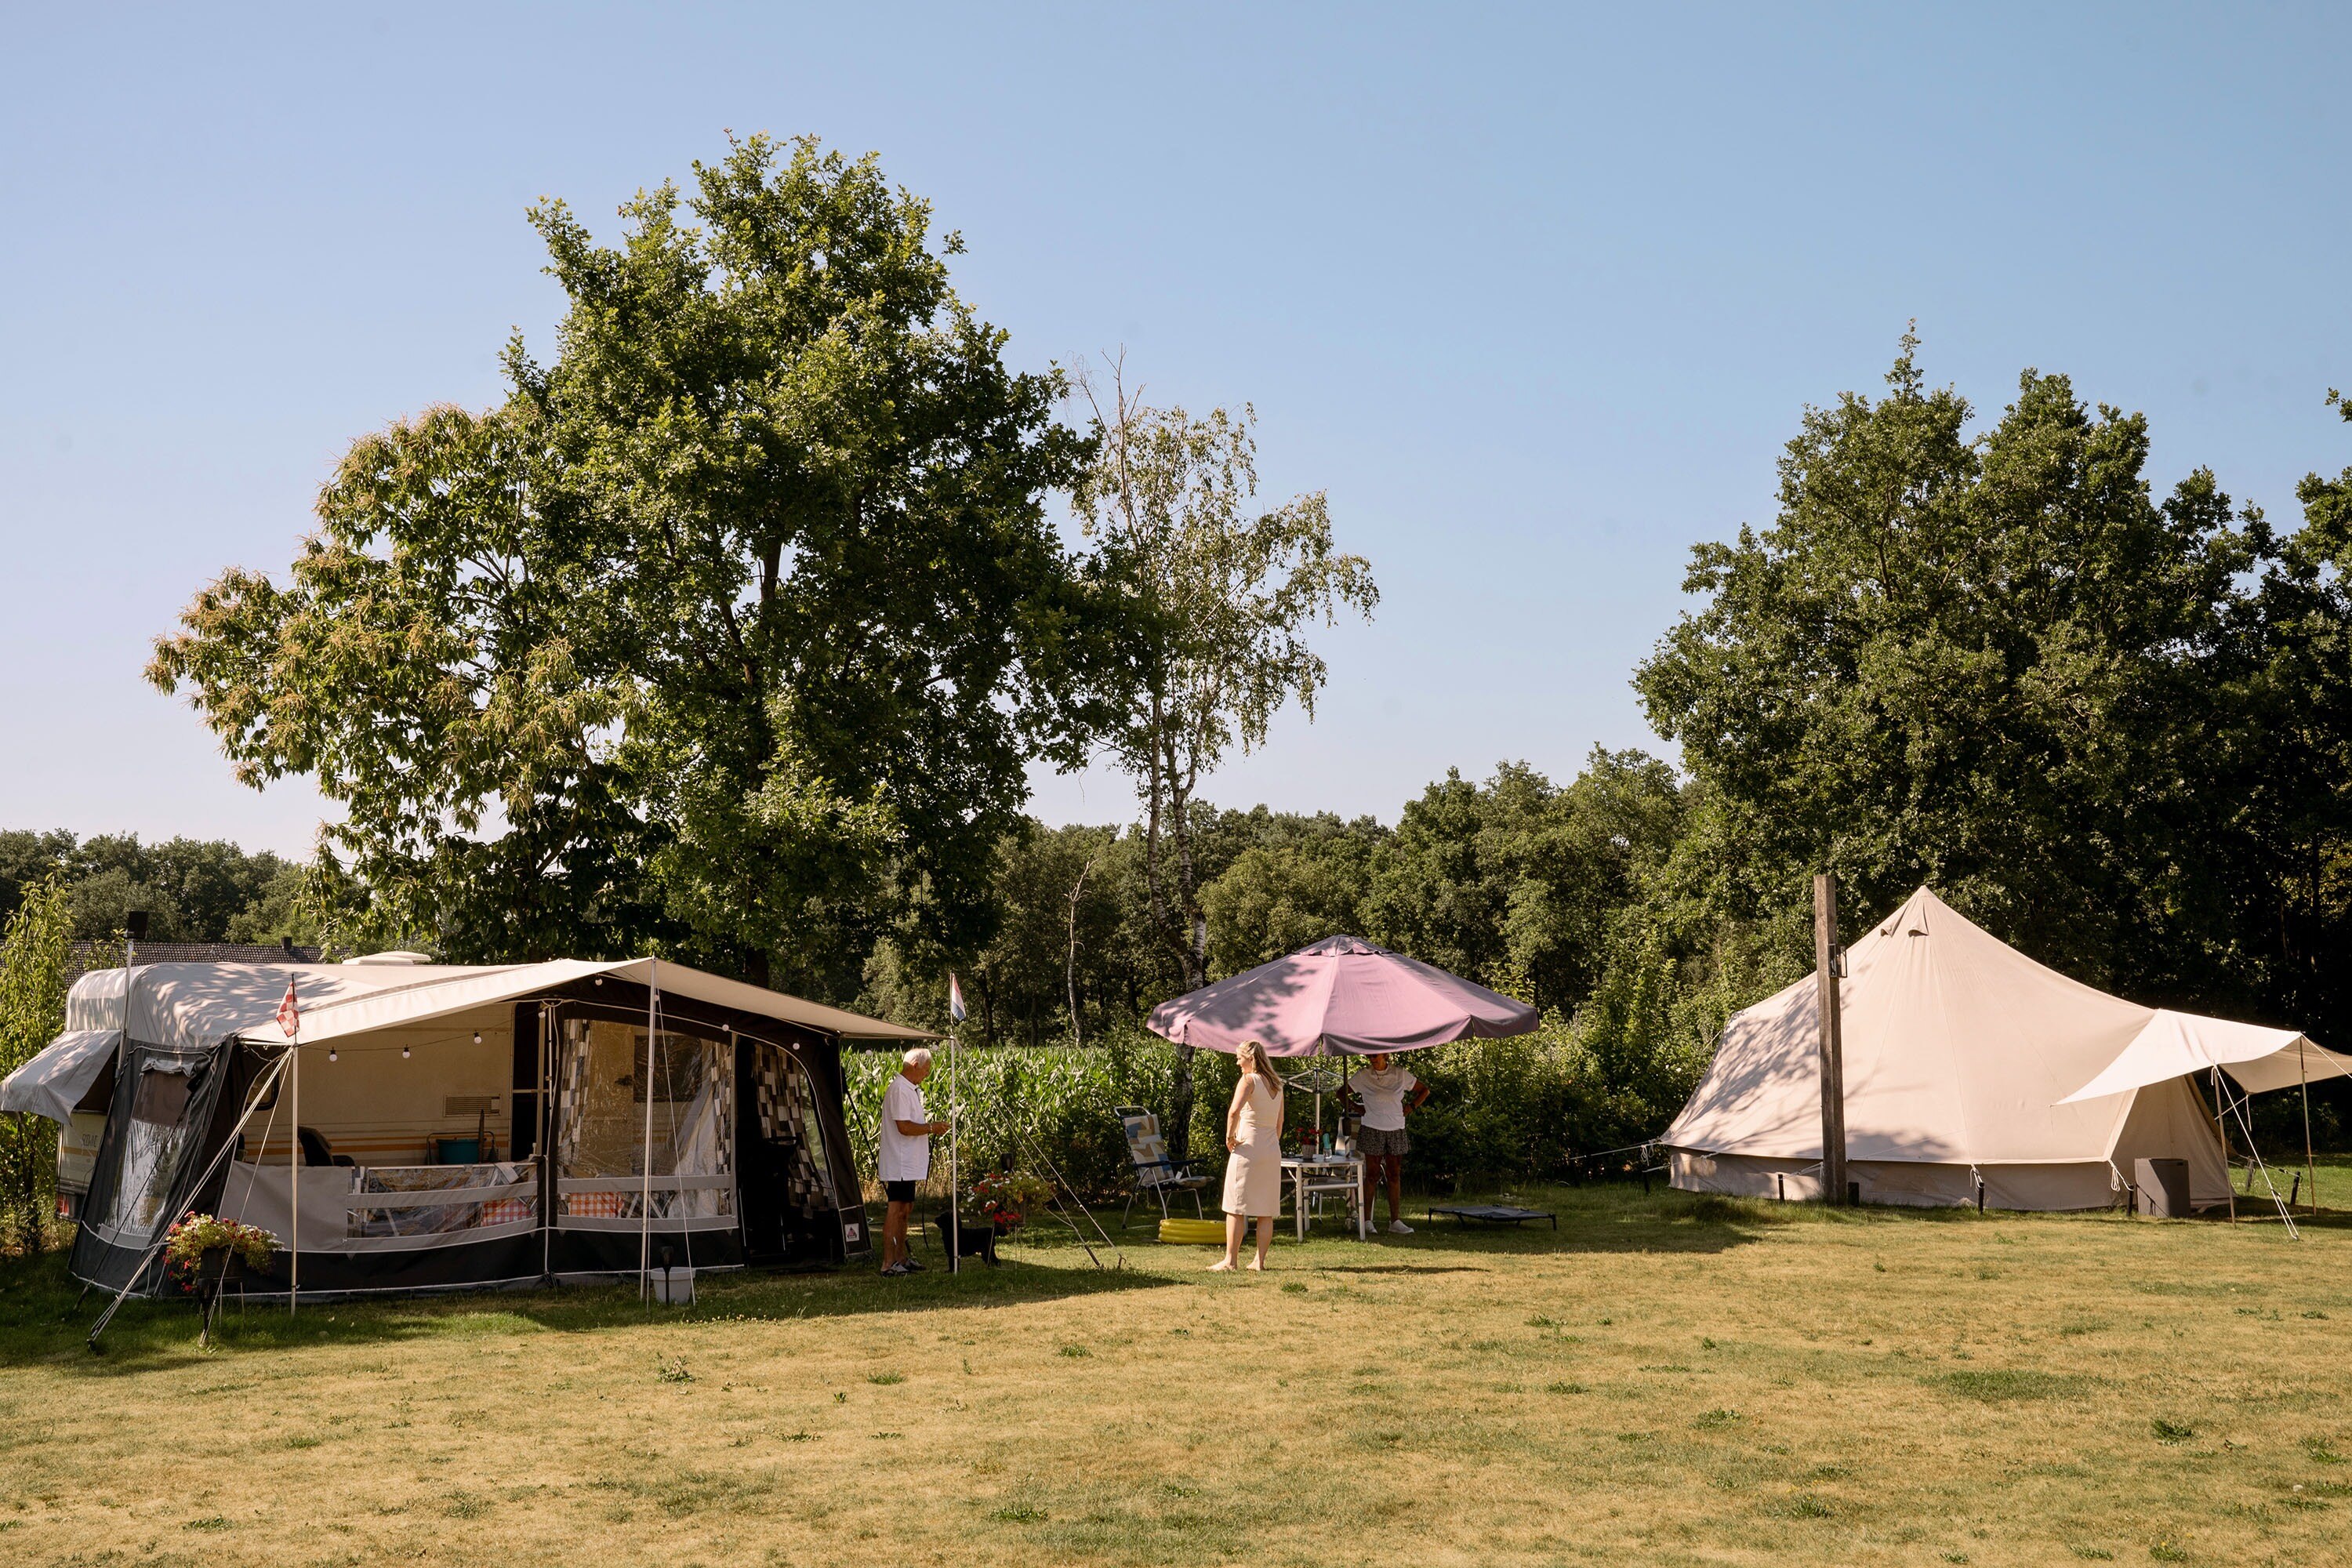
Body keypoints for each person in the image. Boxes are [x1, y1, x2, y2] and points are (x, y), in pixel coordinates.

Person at [1214, 1040, 1285, 1272]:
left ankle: (1230, 1261)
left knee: (1235, 1205)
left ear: (1251, 1059)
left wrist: (1229, 1136)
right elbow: (1279, 1124)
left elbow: (1234, 1111)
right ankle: (1259, 1261)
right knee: (1266, 1209)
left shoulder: (1248, 1080)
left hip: (1248, 1148)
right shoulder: (1277, 1084)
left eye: (1239, 1057)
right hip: (1271, 1149)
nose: (1237, 1062)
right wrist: (1271, 1143)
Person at [878, 1047, 949, 1277]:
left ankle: (901, 1258)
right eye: (927, 1069)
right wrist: (932, 1128)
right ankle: (888, 1264)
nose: (928, 1073)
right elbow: (904, 1126)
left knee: (906, 1210)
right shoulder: (900, 1090)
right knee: (896, 1210)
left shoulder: (910, 1089)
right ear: (916, 1066)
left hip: (907, 1163)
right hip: (899, 1163)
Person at [1347, 1051, 1430, 1234]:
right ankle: (1367, 1220)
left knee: (1394, 1174)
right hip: (1372, 1127)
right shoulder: (1363, 1075)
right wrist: (1355, 1107)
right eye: (1369, 1056)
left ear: (1386, 1054)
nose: (1372, 1059)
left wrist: (1411, 1107)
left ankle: (1395, 1221)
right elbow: (1341, 1092)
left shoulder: (1399, 1074)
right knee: (1372, 1175)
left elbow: (1424, 1090)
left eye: (1375, 1055)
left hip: (1395, 1128)